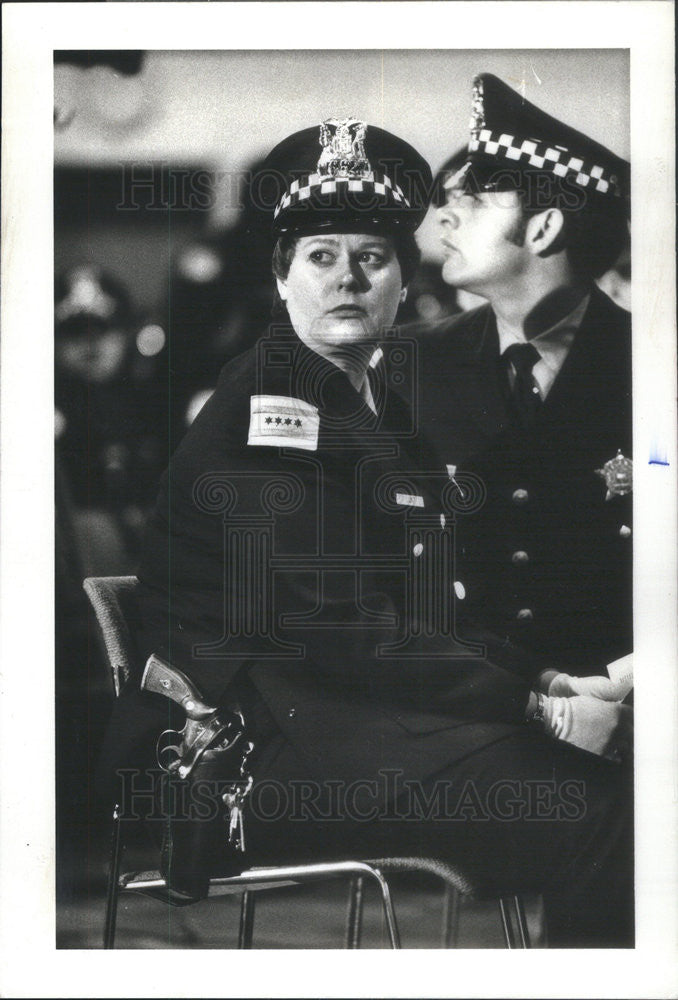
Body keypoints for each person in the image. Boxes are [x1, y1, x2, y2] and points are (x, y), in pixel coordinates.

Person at [100, 115, 633, 947]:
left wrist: (554, 680)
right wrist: (540, 712)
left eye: (371, 259)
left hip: (348, 724)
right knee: (603, 810)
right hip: (263, 755)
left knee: (629, 785)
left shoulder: (375, 410)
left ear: (400, 284)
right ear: (282, 281)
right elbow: (343, 630)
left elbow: (429, 613)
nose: (346, 280)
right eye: (320, 257)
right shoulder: (266, 413)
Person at [408, 74, 633, 694]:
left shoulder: (654, 363)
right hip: (462, 697)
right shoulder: (410, 364)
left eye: (475, 200)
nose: (444, 215)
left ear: (542, 230)